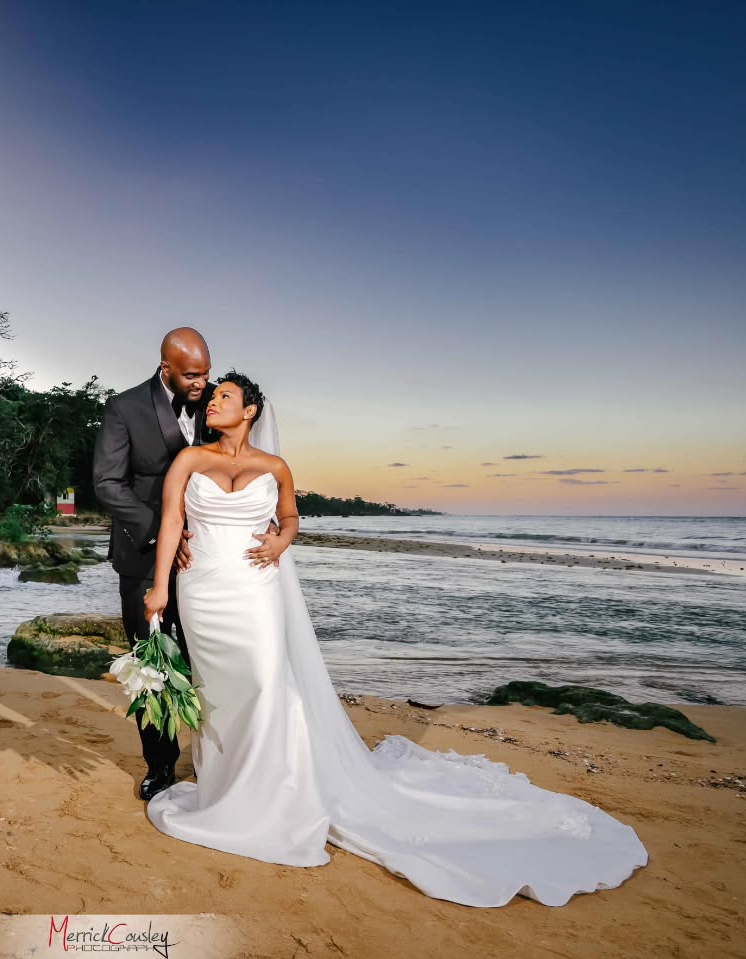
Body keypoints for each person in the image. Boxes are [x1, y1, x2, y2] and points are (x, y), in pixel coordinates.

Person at [140, 371, 649, 908]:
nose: (213, 403)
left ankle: (273, 795)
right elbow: (173, 519)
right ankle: (225, 787)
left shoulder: (276, 467)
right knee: (221, 691)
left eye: (225, 397)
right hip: (204, 589)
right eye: (213, 397)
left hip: (256, 587)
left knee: (269, 684)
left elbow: (291, 518)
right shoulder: (191, 460)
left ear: (250, 412)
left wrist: (281, 541)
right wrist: (159, 589)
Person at [92, 328, 218, 800]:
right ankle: (161, 766)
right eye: (191, 374)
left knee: (212, 658)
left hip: (209, 556)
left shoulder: (215, 399)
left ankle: (219, 759)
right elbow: (107, 483)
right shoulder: (124, 408)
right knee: (151, 666)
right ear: (165, 366)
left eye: (205, 372)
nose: (202, 383)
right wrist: (159, 530)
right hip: (143, 555)